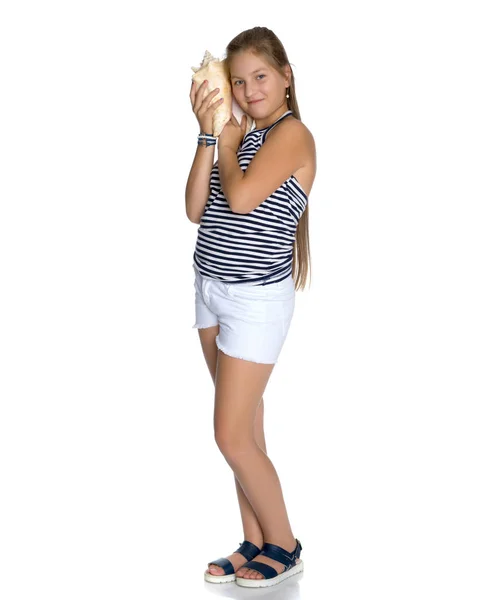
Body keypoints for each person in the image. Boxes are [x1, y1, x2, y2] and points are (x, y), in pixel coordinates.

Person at [185, 26, 316, 589]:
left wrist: (232, 146)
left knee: (230, 434)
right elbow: (195, 208)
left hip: (256, 300)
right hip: (211, 288)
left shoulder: (293, 135)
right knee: (248, 426)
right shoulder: (233, 133)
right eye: (238, 81)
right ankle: (255, 539)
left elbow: (240, 198)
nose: (247, 89)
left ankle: (284, 544)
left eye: (259, 76)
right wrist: (206, 136)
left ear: (286, 76)